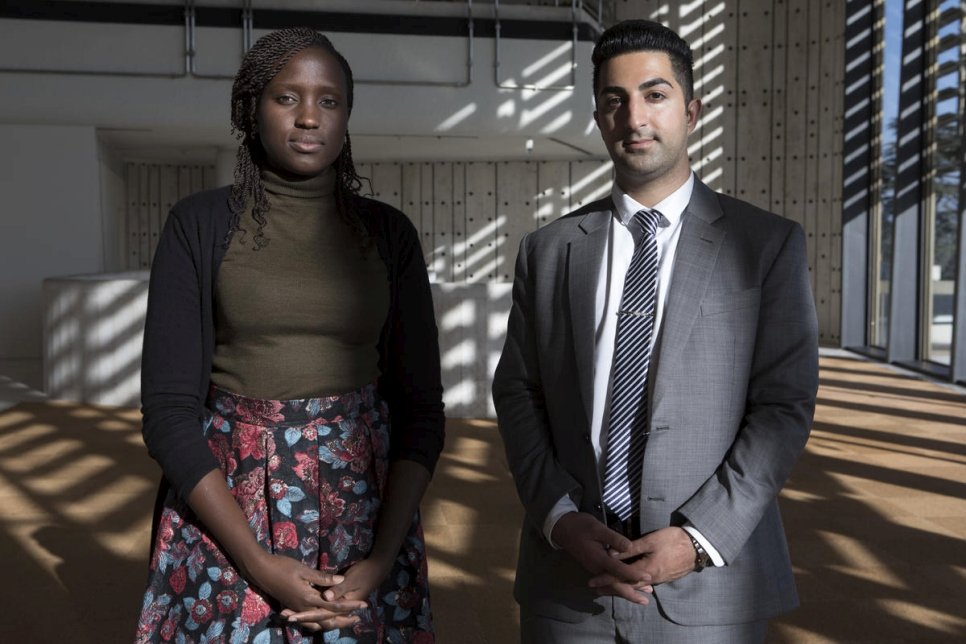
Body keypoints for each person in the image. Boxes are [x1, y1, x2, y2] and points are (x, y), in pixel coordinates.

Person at [492, 19, 818, 643]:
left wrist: (698, 538)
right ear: (598, 116)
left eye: (655, 95)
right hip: (569, 581)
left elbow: (783, 405)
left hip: (709, 587)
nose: (634, 117)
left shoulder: (766, 245)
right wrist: (559, 518)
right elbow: (518, 393)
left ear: (691, 111)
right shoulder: (549, 250)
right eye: (615, 101)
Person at [134, 27, 443, 644]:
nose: (309, 117)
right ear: (252, 109)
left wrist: (380, 560)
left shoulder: (388, 234)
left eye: (329, 101)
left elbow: (421, 410)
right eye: (286, 98)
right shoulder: (200, 224)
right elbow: (168, 412)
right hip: (228, 516)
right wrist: (257, 563)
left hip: (364, 510)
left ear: (347, 115)